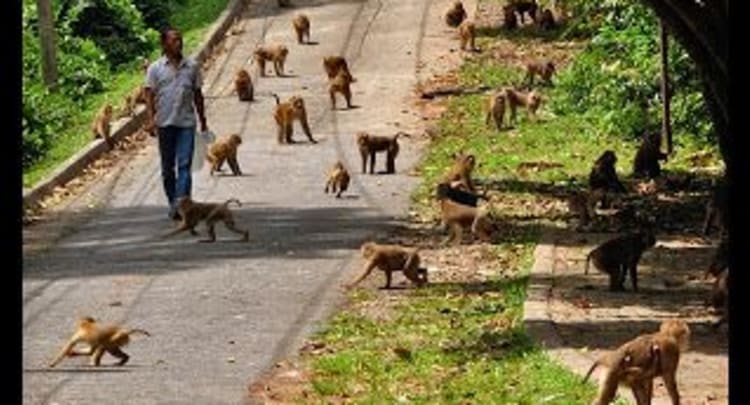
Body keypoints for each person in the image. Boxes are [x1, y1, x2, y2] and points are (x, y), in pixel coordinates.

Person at [144, 26, 208, 220]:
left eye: (179, 39)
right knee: (167, 168)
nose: (178, 43)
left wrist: (203, 119)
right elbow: (149, 95)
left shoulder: (192, 66)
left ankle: (181, 204)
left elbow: (198, 94)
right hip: (164, 124)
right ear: (164, 44)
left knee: (185, 165)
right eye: (173, 40)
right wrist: (150, 119)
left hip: (186, 123)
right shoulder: (155, 69)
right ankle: (174, 202)